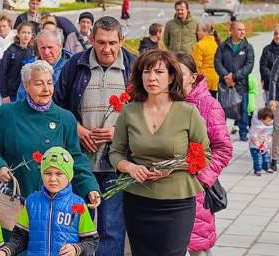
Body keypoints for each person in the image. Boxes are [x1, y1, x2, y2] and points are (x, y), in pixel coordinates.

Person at [109, 50, 211, 256]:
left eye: (159, 72)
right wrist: (130, 167)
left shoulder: (188, 113)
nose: (151, 78)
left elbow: (204, 156)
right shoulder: (129, 112)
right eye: (146, 72)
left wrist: (172, 167)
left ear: (171, 76)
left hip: (177, 204)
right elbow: (115, 153)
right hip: (138, 201)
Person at [53, 16, 136, 256]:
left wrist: (119, 132)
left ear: (122, 40)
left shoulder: (133, 66)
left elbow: (144, 112)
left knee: (112, 228)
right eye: (101, 42)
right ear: (91, 39)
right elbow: (58, 106)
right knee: (78, 225)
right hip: (81, 162)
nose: (106, 48)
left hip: (116, 163)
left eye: (112, 42)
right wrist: (76, 128)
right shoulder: (75, 64)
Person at [0, 60, 101, 227]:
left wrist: (90, 187)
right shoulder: (9, 113)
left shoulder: (65, 118)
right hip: (16, 198)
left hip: (53, 202)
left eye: (49, 83)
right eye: (39, 84)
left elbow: (74, 157)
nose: (46, 89)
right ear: (26, 85)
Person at [0, 147, 99, 256]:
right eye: (47, 173)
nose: (52, 179)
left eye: (59, 173)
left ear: (69, 175)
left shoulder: (78, 204)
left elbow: (92, 242)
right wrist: (3, 252)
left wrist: (76, 249)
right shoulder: (31, 202)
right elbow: (20, 238)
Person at [175, 52, 233, 256]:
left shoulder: (208, 105)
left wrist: (202, 178)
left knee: (198, 247)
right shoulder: (165, 102)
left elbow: (224, 148)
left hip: (196, 188)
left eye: (179, 73)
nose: (173, 78)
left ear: (193, 76)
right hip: (169, 187)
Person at [214, 21, 255, 141]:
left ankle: (243, 134)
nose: (243, 32)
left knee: (243, 110)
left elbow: (249, 66)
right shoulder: (222, 46)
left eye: (244, 30)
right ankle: (220, 135)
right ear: (231, 31)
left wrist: (234, 77)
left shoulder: (248, 47)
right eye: (240, 29)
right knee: (222, 110)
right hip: (225, 84)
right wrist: (226, 76)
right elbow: (217, 62)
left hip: (241, 85)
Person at [16, 29, 70, 101]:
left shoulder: (72, 67)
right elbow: (21, 98)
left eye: (50, 47)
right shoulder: (31, 70)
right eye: (43, 48)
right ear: (38, 48)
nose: (47, 52)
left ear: (60, 47)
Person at [0, 22, 35, 103]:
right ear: (18, 34)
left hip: (28, 93)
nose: (26, 35)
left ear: (32, 35)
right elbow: (1, 72)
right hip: (13, 94)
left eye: (29, 33)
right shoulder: (11, 51)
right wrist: (5, 95)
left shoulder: (32, 50)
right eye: (23, 32)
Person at [192, 23, 221, 98]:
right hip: (215, 78)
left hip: (204, 80)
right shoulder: (217, 43)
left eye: (199, 31)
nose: (197, 32)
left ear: (206, 32)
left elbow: (196, 64)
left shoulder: (200, 45)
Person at [248, 108, 274, 176]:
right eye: (268, 120)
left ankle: (267, 167)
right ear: (262, 120)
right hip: (255, 147)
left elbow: (268, 136)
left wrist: (267, 144)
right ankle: (257, 169)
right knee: (258, 159)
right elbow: (253, 137)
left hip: (264, 146)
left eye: (271, 120)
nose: (270, 122)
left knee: (266, 158)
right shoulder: (257, 127)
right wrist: (259, 144)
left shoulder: (269, 126)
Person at [260, 26, 279, 102]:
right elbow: (263, 67)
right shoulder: (267, 50)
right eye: (276, 34)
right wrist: (274, 80)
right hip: (270, 86)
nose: (277, 36)